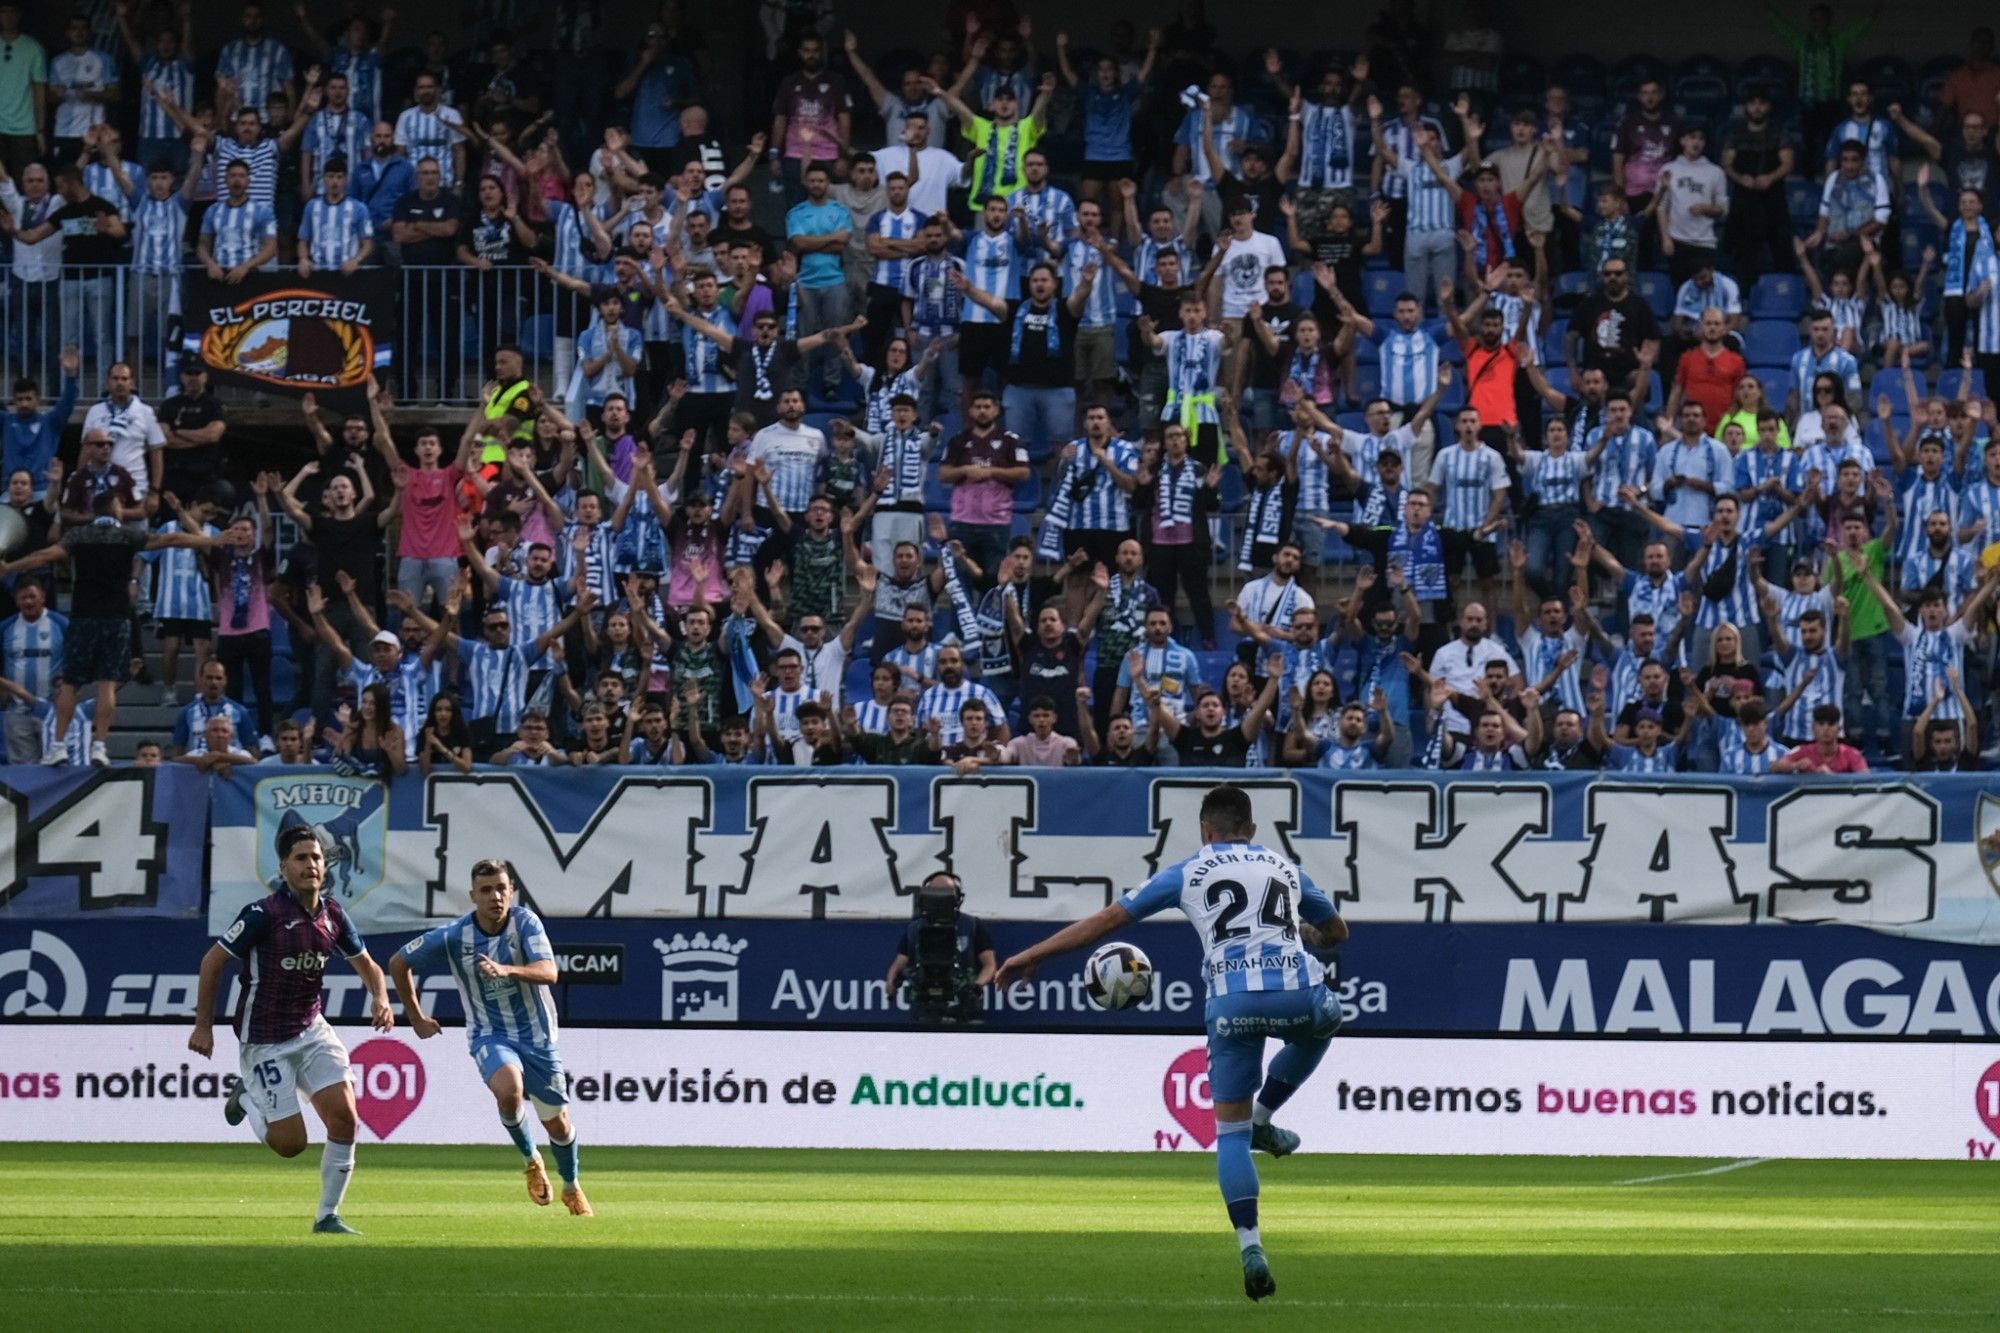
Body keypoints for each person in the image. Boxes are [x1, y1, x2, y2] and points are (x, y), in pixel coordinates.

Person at [994, 784, 1347, 1303]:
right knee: (1326, 1021)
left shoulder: (1188, 872)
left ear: (1205, 831)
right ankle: (1266, 1118)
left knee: (1228, 1135)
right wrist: (1310, 936)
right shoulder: (1286, 868)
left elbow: (1107, 921)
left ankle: (1251, 1245)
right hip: (1297, 994)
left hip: (1231, 1007)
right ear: (1251, 830)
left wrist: (1034, 954)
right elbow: (1337, 930)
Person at [187, 825, 395, 1236]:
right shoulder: (263, 915)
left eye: (316, 858)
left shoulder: (333, 914)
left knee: (345, 1119)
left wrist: (381, 998)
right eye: (301, 858)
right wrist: (203, 1026)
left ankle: (327, 1216)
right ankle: (246, 1098)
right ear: (283, 867)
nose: (311, 865)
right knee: (289, 1145)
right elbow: (212, 962)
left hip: (311, 1029)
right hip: (265, 1039)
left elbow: (368, 964)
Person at [390, 857, 591, 1215]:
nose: (495, 896)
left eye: (501, 888)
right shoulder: (454, 936)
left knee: (558, 1124)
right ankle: (532, 1162)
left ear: (511, 891)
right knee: (509, 1091)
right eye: (486, 890)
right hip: (490, 1034)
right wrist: (417, 1017)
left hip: (538, 1038)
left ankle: (571, 1185)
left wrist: (506, 970)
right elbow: (398, 962)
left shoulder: (525, 923)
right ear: (473, 896)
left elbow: (549, 971)